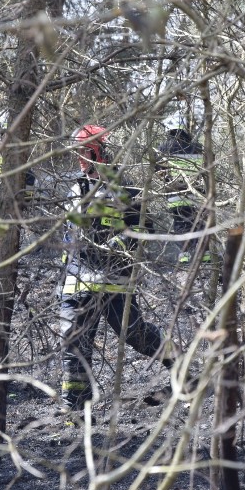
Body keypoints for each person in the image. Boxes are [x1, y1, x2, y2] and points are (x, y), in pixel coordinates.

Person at [59, 124, 178, 411]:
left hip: (115, 281)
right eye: (79, 152)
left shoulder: (128, 189)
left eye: (84, 151)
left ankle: (181, 365)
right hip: (77, 282)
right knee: (73, 345)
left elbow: (142, 231)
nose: (80, 158)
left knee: (135, 334)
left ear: (101, 151)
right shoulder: (76, 188)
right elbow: (69, 236)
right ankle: (75, 410)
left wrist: (118, 245)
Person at [156, 114, 210, 265]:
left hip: (175, 194)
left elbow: (157, 169)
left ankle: (185, 256)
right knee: (199, 223)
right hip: (197, 194)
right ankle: (205, 255)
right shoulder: (198, 148)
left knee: (181, 224)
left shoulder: (164, 147)